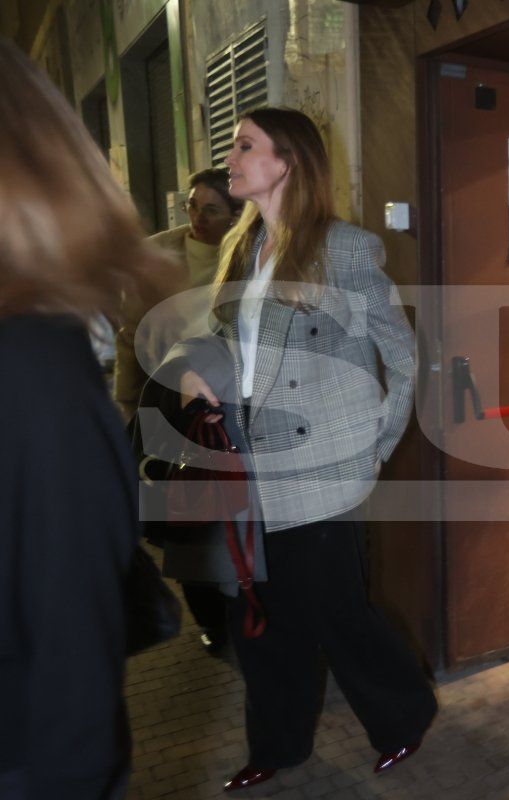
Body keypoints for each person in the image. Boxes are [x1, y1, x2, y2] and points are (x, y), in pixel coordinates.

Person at [155, 106, 437, 792]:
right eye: (233, 146)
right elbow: (230, 344)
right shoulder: (240, 248)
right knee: (261, 619)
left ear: (285, 162)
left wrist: (375, 447)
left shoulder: (343, 249)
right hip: (253, 463)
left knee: (337, 612)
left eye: (244, 145)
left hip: (325, 469)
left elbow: (402, 357)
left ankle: (404, 714)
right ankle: (278, 744)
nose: (231, 156)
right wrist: (198, 369)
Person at [0, 36, 172, 798]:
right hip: (149, 413)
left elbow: (71, 660)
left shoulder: (31, 367)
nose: (230, 165)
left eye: (248, 145)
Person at [116, 168, 244, 655]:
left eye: (210, 209)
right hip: (166, 408)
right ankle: (211, 620)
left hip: (228, 412)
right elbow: (131, 337)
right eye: (191, 206)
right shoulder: (157, 255)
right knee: (181, 523)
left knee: (228, 519)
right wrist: (128, 405)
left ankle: (241, 607)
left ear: (235, 215)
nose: (196, 218)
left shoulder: (250, 256)